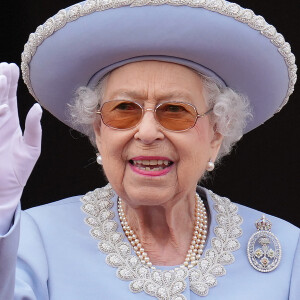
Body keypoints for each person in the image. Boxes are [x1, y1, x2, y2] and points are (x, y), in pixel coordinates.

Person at [0, 0, 299, 299]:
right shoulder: (33, 240)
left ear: (216, 133)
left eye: (174, 110)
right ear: (99, 130)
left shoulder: (287, 252)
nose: (146, 132)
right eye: (124, 109)